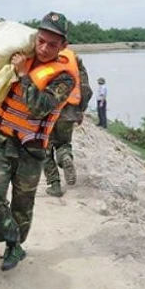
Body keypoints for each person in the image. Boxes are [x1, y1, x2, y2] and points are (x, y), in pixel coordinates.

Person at [0, 11, 80, 271]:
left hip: (31, 149)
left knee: (23, 204)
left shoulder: (64, 77)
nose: (44, 48)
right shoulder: (19, 56)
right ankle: (12, 241)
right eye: (41, 41)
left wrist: (23, 75)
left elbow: (38, 107)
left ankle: (13, 247)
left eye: (52, 44)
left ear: (63, 46)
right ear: (35, 37)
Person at [44, 50, 93, 197]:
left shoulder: (43, 56)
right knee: (64, 143)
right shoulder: (74, 61)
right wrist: (80, 110)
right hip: (69, 113)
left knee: (45, 150)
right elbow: (86, 89)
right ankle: (65, 156)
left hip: (46, 113)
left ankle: (55, 185)